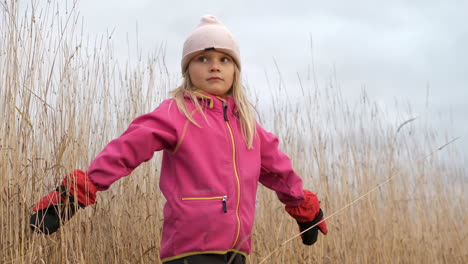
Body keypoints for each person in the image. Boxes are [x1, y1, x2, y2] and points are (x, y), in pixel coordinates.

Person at [30, 15, 328, 264]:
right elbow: (127, 149)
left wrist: (303, 207)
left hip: (237, 251)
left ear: (235, 70)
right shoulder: (178, 113)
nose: (215, 66)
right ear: (188, 68)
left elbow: (280, 172)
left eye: (224, 59)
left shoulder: (249, 126)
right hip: (189, 250)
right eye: (203, 58)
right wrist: (77, 193)